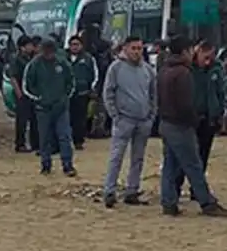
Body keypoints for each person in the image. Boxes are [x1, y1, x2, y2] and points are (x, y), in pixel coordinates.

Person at [157, 36, 227, 217]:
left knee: (170, 165)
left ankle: (168, 202)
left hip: (166, 122)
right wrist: (194, 120)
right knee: (194, 165)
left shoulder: (164, 70)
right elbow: (186, 103)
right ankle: (207, 202)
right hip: (181, 125)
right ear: (185, 51)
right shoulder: (184, 73)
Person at [101, 35, 157, 208]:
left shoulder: (148, 70)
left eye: (140, 48)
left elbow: (154, 95)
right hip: (123, 120)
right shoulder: (116, 68)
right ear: (125, 48)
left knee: (138, 158)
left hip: (143, 121)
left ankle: (132, 191)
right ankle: (109, 191)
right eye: (133, 48)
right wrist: (115, 116)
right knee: (116, 157)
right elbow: (108, 93)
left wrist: (151, 116)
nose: (137, 52)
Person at [175, 40, 225, 201]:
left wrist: (219, 113)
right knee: (185, 156)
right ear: (198, 53)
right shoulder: (188, 70)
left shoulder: (217, 69)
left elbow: (221, 92)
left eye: (211, 57)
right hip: (191, 119)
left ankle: (197, 189)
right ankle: (175, 187)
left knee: (203, 156)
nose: (208, 61)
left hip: (209, 119)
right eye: (206, 57)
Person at [22, 39, 76, 176]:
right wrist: (39, 98)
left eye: (51, 51)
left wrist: (64, 98)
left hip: (61, 107)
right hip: (43, 108)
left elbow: (71, 82)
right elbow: (27, 85)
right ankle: (46, 165)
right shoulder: (34, 64)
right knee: (44, 138)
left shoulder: (62, 63)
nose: (48, 54)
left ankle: (68, 165)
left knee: (64, 136)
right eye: (46, 51)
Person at [67, 35, 99, 150]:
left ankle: (78, 141)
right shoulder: (63, 58)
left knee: (80, 119)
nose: (74, 47)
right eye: (72, 45)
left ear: (81, 45)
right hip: (66, 94)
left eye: (77, 44)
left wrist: (91, 88)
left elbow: (95, 75)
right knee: (66, 118)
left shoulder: (88, 58)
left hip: (82, 93)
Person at [9, 35, 39, 153]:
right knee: (22, 120)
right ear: (22, 47)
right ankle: (20, 144)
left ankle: (35, 143)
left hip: (33, 93)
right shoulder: (17, 59)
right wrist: (19, 93)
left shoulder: (33, 58)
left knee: (35, 119)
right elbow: (13, 77)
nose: (31, 47)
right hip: (22, 94)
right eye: (29, 45)